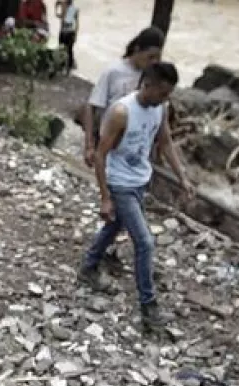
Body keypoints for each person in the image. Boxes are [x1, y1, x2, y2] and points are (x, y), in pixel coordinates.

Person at [78, 62, 193, 329]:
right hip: (120, 183)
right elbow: (100, 155)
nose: (165, 99)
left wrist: (182, 178)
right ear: (147, 84)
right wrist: (105, 197)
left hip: (140, 180)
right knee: (144, 242)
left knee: (115, 225)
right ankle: (148, 306)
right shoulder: (121, 112)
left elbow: (165, 143)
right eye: (162, 93)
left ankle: (89, 266)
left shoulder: (161, 108)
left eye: (168, 94)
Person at [81, 27, 164, 167]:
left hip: (134, 147)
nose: (153, 62)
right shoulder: (114, 71)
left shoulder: (151, 78)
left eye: (157, 58)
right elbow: (91, 106)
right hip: (108, 141)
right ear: (137, 50)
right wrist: (89, 145)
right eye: (150, 57)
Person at [56, 0, 78, 73]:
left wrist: (75, 34)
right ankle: (65, 66)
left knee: (68, 50)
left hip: (68, 32)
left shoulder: (73, 9)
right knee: (64, 49)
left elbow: (75, 22)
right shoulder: (66, 7)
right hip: (65, 31)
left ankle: (68, 67)